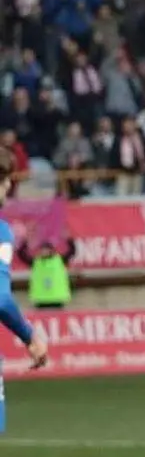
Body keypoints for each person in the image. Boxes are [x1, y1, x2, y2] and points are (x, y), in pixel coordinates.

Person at [0, 147, 49, 432]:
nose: (8, 187)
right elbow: (1, 298)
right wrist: (29, 336)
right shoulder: (2, 231)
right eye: (6, 180)